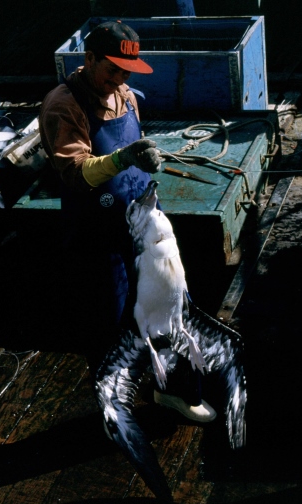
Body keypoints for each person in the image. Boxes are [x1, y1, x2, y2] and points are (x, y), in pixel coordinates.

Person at [39, 20, 215, 423]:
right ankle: (115, 411)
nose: (120, 79)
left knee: (173, 307)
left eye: (127, 72)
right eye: (113, 70)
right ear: (89, 59)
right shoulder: (63, 104)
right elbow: (75, 172)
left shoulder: (126, 95)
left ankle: (175, 392)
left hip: (144, 224)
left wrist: (144, 157)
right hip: (96, 234)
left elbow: (132, 141)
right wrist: (123, 158)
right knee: (109, 325)